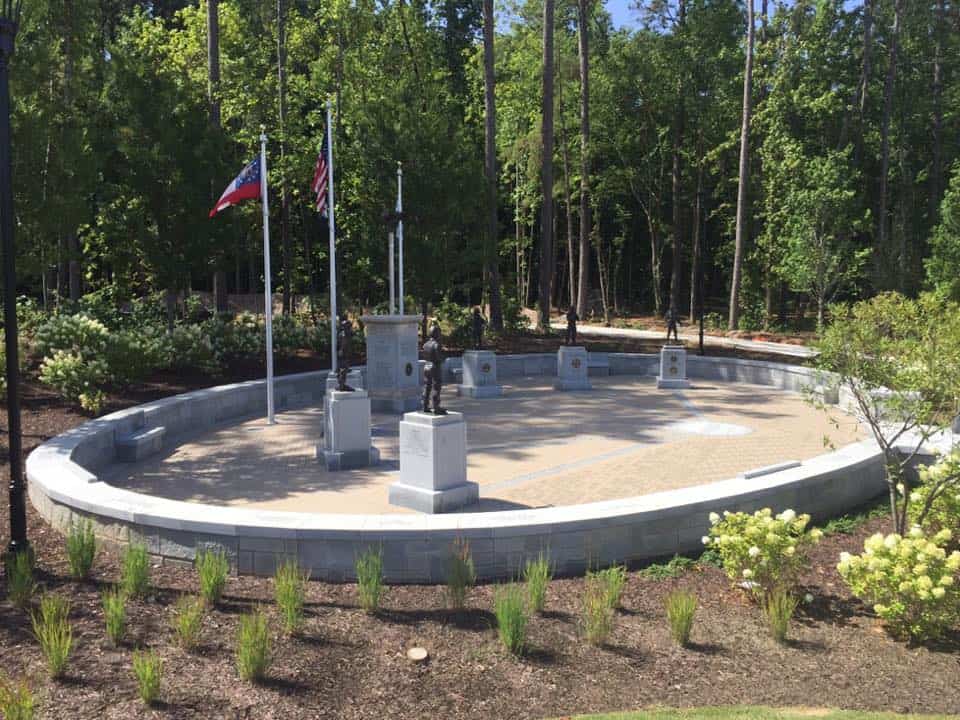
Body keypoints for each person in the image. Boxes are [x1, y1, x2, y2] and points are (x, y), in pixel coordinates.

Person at [421, 323, 446, 414]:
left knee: (427, 386)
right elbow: (439, 358)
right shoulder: (436, 345)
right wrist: (442, 358)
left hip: (426, 366)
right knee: (436, 387)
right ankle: (436, 407)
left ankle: (425, 405)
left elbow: (424, 355)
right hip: (435, 367)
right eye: (439, 332)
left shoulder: (425, 344)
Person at [336, 317, 355, 391]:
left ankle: (341, 384)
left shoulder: (344, 333)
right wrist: (341, 350)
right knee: (343, 368)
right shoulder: (344, 334)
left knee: (343, 367)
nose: (350, 328)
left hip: (345, 352)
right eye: (349, 326)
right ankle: (342, 385)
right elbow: (344, 343)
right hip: (344, 352)